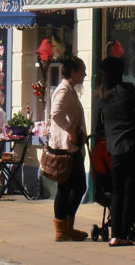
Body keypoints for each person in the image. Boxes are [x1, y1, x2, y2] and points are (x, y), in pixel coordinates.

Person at [97, 56, 135, 247]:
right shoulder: (128, 90)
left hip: (114, 148)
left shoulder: (102, 95)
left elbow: (99, 125)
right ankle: (125, 233)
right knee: (130, 190)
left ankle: (115, 234)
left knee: (117, 191)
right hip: (133, 145)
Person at [50, 55, 89, 242]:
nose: (85, 74)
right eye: (82, 71)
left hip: (71, 146)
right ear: (73, 72)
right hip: (67, 148)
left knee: (68, 187)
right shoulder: (63, 91)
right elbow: (55, 113)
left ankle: (65, 228)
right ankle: (63, 228)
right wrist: (71, 130)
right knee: (75, 186)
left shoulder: (69, 90)